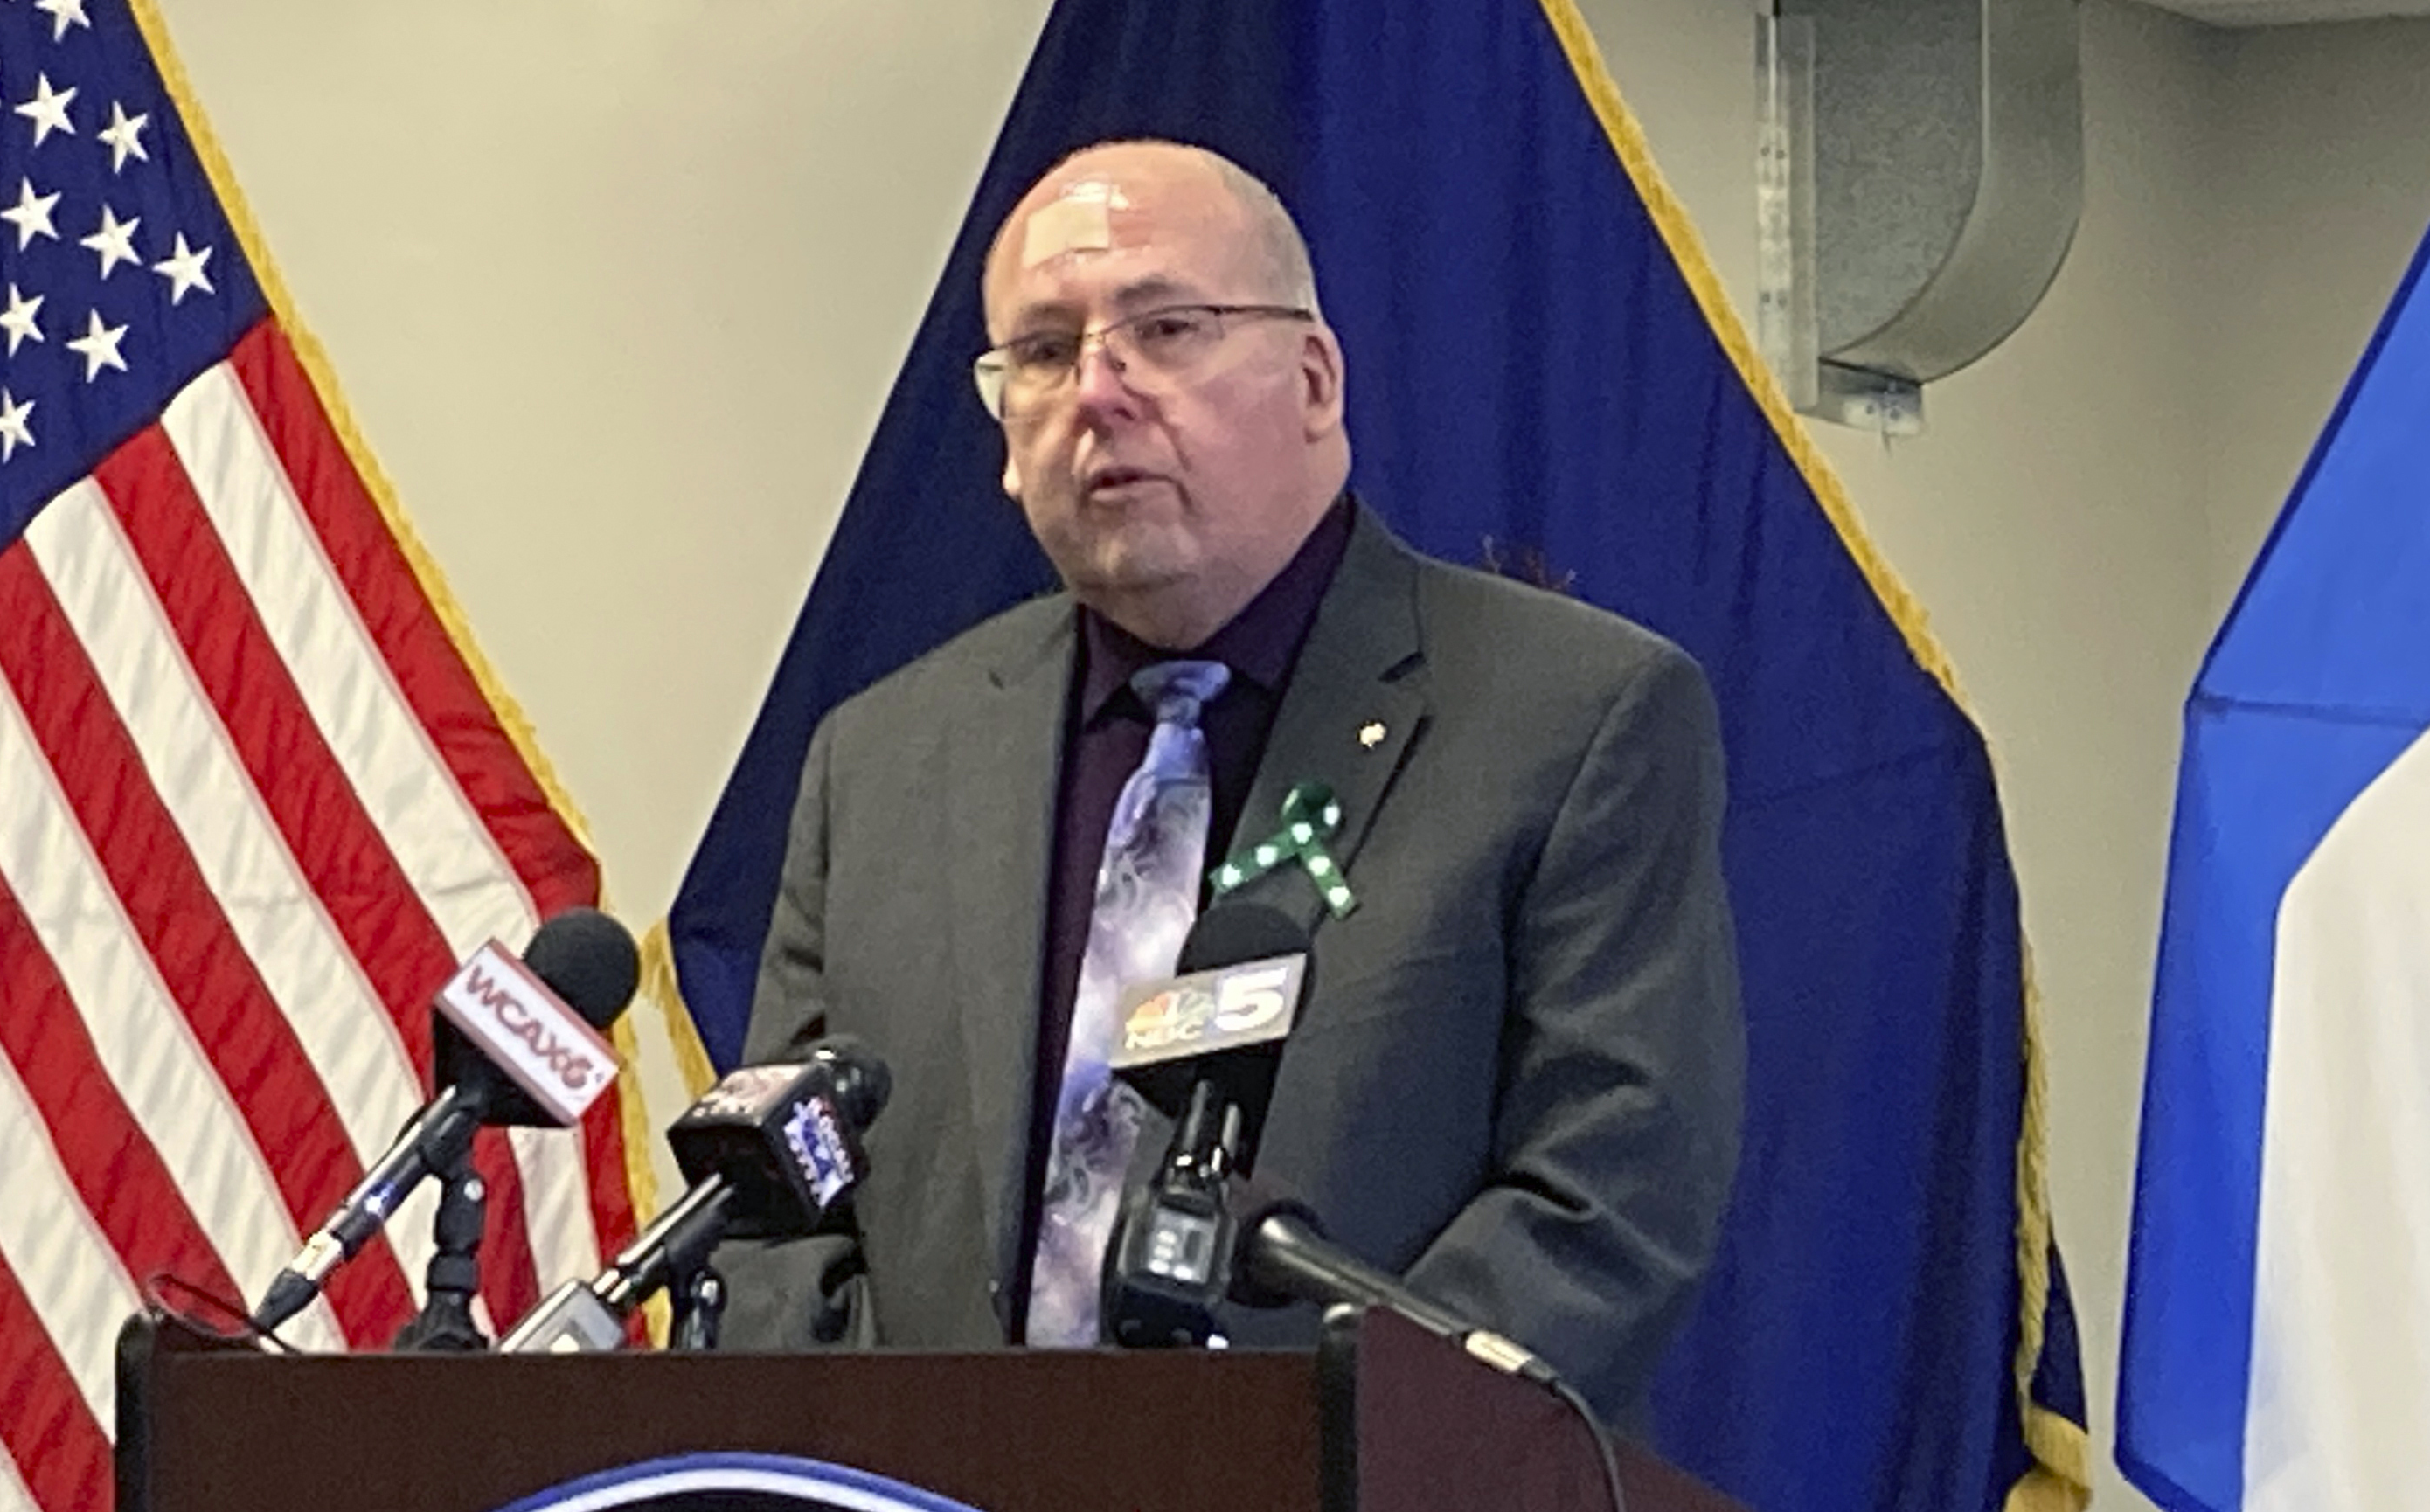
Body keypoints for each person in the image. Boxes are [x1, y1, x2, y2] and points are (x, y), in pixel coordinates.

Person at [719, 139, 1740, 1427]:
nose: (1099, 389)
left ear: (1315, 379)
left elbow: (1607, 1203)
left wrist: (1250, 1485)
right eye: (1042, 351)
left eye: (1168, 327)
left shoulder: (1572, 718)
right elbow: (776, 1204)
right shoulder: (880, 763)